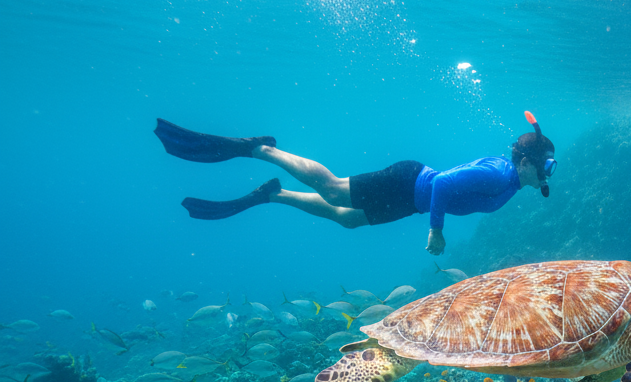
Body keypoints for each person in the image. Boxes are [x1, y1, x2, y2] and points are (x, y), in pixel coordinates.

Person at [154, 112, 556, 255]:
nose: (548, 174)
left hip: (407, 201)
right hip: (410, 182)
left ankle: (274, 194)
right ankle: (262, 150)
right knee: (332, 188)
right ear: (527, 163)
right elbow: (444, 186)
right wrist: (436, 231)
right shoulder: (498, 174)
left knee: (347, 220)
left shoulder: (511, 182)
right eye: (546, 166)